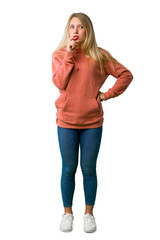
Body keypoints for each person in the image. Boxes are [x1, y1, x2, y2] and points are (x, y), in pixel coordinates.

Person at [51, 12, 133, 233]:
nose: (75, 31)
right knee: (68, 169)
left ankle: (89, 214)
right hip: (66, 121)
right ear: (67, 31)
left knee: (88, 169)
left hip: (92, 123)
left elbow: (126, 75)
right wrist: (69, 54)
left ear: (88, 30)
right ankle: (67, 213)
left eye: (80, 27)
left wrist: (106, 95)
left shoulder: (99, 55)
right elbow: (59, 82)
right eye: (71, 27)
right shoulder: (59, 55)